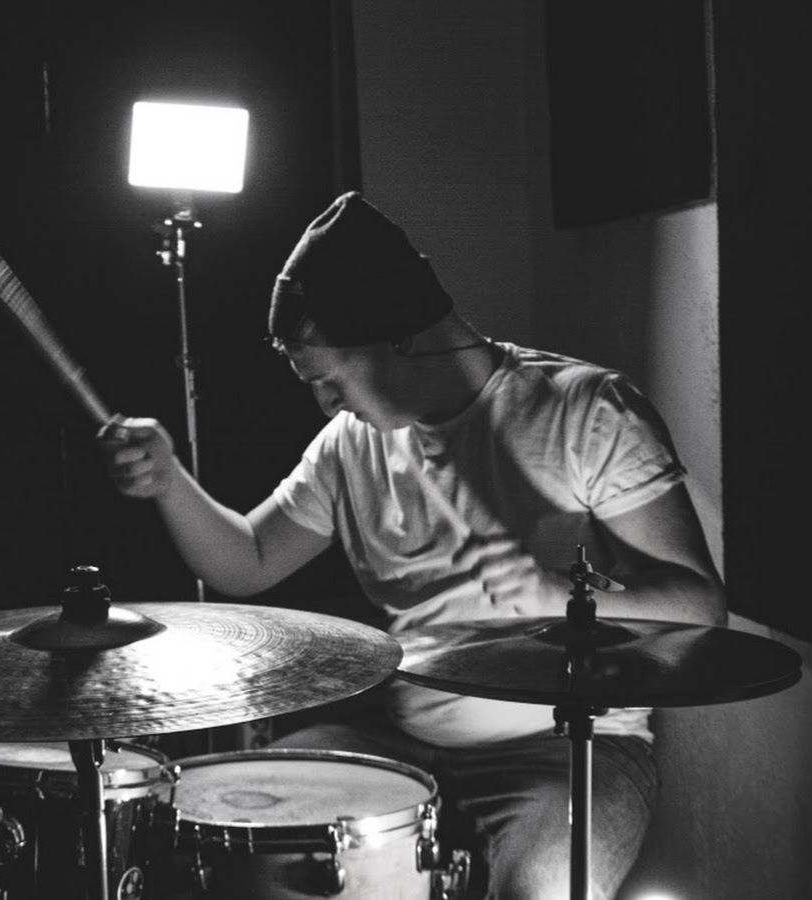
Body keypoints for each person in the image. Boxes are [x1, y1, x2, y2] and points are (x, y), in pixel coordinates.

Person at [100, 191, 726, 900]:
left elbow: (700, 607)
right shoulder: (349, 446)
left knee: (543, 886)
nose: (326, 404)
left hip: (569, 748)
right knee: (238, 826)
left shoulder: (586, 411)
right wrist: (169, 481)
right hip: (398, 739)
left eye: (329, 381)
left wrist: (554, 598)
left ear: (399, 336)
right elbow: (246, 562)